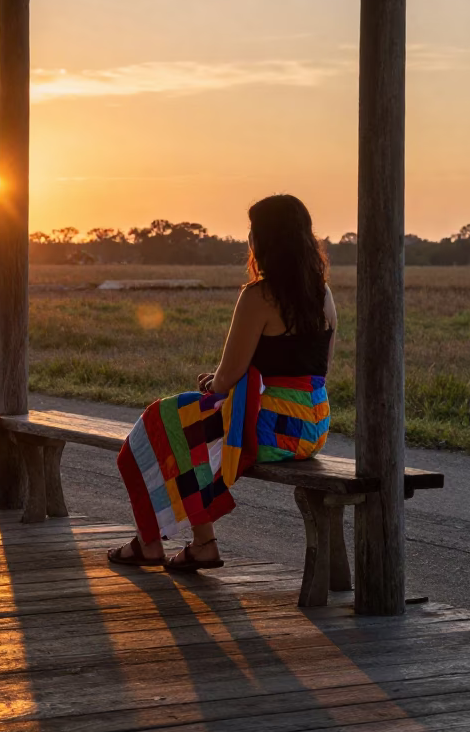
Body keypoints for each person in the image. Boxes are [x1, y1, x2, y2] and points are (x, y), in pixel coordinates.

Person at [108, 194, 337, 572]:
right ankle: (191, 543)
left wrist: (216, 382)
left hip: (271, 430)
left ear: (264, 240)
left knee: (161, 421)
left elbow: (226, 379)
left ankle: (163, 542)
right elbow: (321, 369)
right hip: (313, 426)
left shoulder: (259, 296)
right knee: (187, 423)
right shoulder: (322, 293)